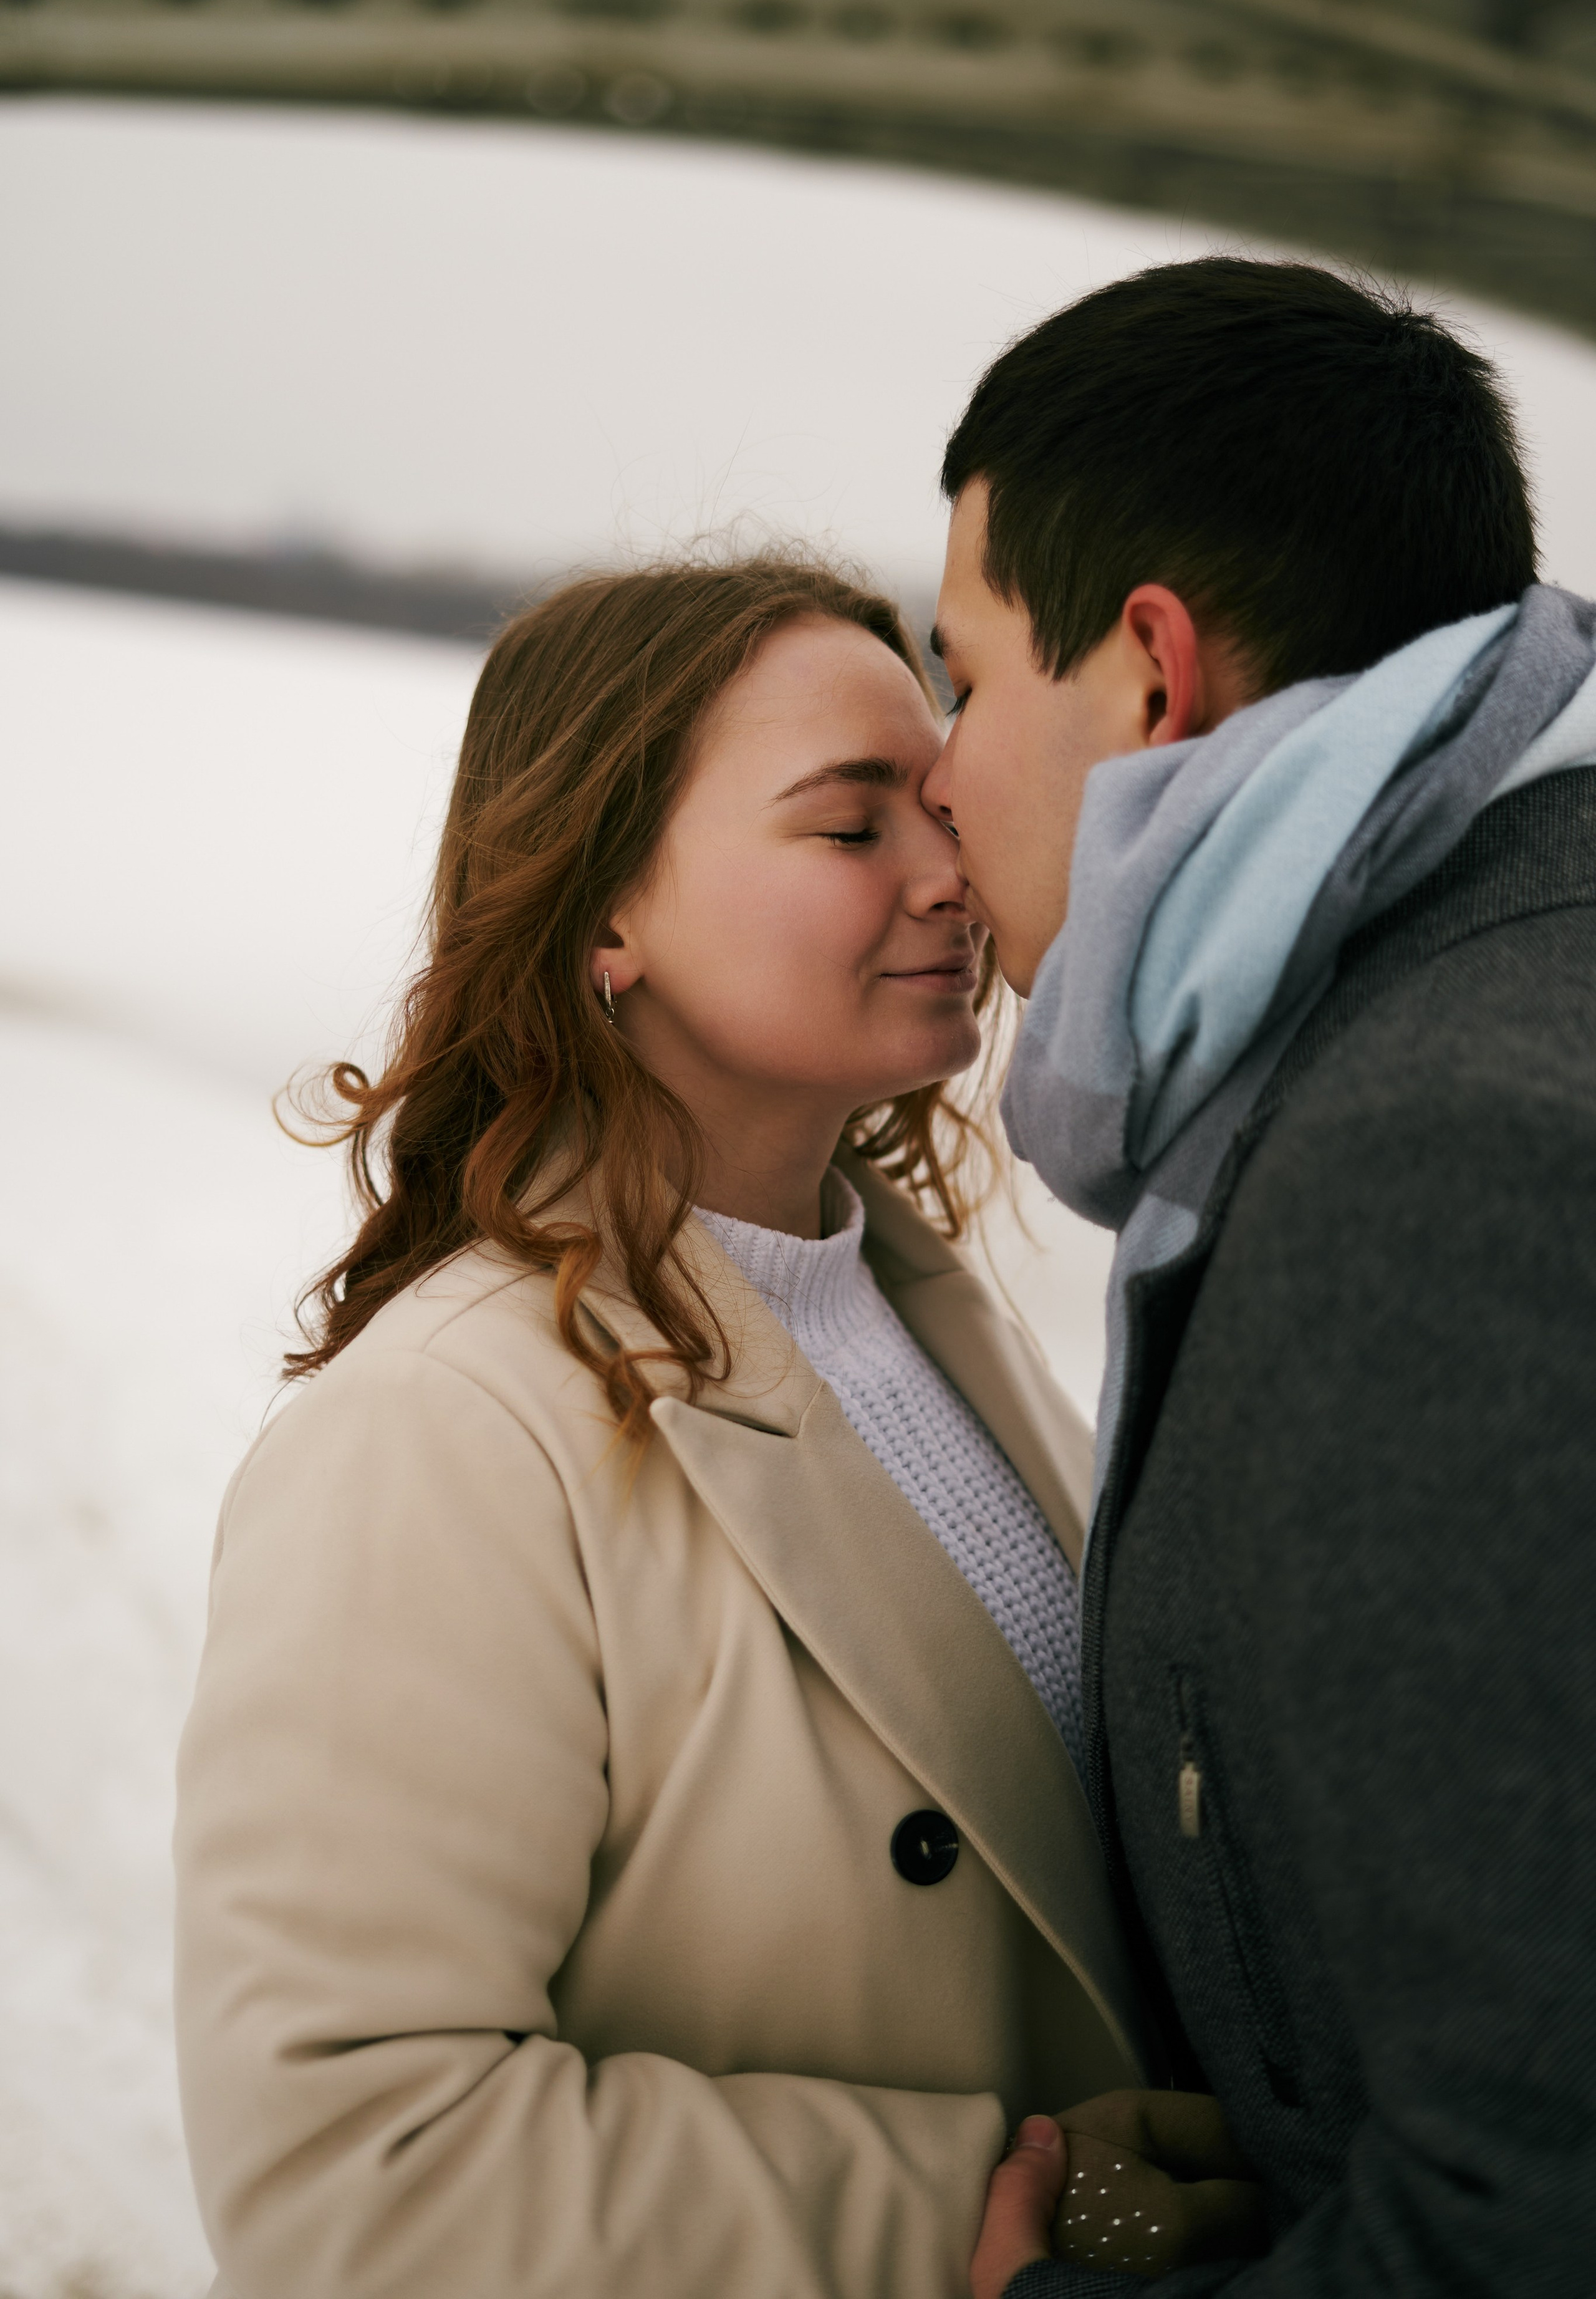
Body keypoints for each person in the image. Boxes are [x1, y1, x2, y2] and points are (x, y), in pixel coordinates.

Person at [173, 558, 1163, 2299]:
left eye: (937, 801)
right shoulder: (447, 1429)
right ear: (602, 915)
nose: (954, 874)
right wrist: (986, 2212)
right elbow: (353, 2167)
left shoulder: (933, 1322)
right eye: (852, 830)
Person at [920, 258, 1596, 2298]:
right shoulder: (1512, 965)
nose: (945, 780)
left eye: (967, 680)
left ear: (1150, 673)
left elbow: (1534, 2209)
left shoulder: (1433, 1166)